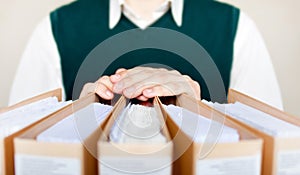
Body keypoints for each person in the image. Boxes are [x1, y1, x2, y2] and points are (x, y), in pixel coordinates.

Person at [9, 0, 283, 109]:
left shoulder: (235, 26)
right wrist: (74, 114)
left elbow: (269, 151)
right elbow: (17, 151)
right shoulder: (56, 27)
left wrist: (199, 109)